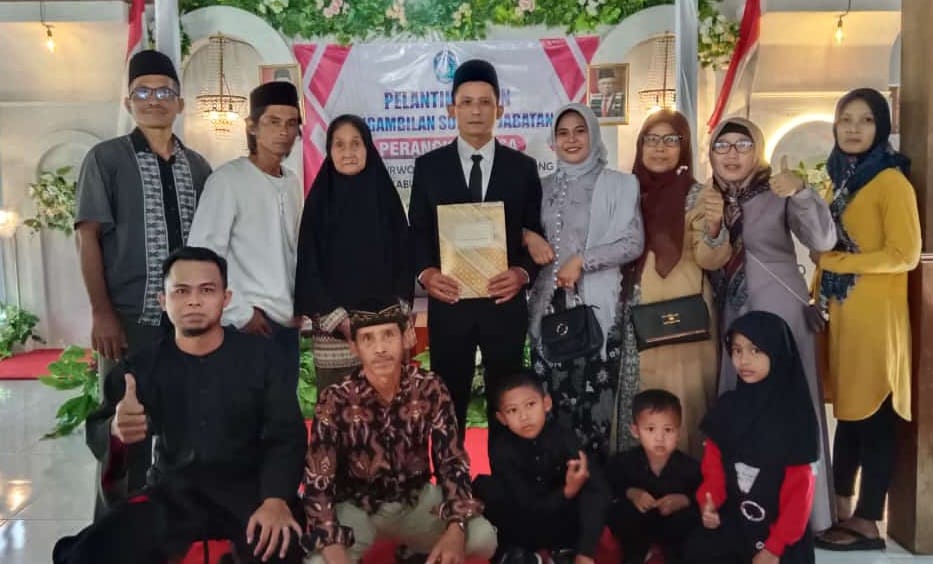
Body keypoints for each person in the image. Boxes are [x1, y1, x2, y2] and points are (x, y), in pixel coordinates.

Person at [53, 246, 308, 564]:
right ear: (163, 300)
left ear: (226, 298)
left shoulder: (262, 358)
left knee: (279, 547)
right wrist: (116, 430)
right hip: (173, 493)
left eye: (207, 290)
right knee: (89, 553)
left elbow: (286, 435)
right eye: (181, 291)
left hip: (250, 492)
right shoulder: (143, 366)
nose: (194, 301)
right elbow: (101, 429)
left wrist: (275, 500)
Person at [74, 49, 212, 514]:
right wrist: (102, 312)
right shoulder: (106, 159)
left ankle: (172, 528)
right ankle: (114, 534)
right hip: (129, 321)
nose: (155, 99)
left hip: (186, 327)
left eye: (165, 91)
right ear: (128, 101)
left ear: (180, 102)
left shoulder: (198, 167)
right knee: (124, 431)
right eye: (143, 92)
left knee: (182, 431)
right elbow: (88, 236)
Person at [694, 117, 836, 532]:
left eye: (742, 145)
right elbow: (705, 256)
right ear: (711, 153)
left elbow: (823, 240)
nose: (732, 154)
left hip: (780, 309)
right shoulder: (706, 198)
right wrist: (714, 224)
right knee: (737, 400)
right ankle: (740, 503)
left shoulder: (777, 190)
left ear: (756, 150)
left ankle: (806, 511)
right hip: (732, 310)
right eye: (722, 146)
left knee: (791, 401)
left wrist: (802, 193)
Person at [301, 297, 497, 564]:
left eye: (388, 335)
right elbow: (318, 478)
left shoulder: (429, 387)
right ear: (354, 347)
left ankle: (416, 550)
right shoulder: (336, 398)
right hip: (357, 507)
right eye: (368, 339)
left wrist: (455, 528)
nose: (380, 348)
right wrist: (332, 547)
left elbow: (451, 461)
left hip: (414, 500)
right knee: (319, 563)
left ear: (405, 338)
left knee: (483, 538)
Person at [408, 59, 544, 440]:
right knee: (448, 402)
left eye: (485, 102)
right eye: (466, 102)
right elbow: (417, 233)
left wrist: (522, 274)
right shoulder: (429, 167)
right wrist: (426, 274)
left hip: (504, 307)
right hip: (450, 304)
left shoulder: (522, 168)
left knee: (508, 403)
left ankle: (507, 475)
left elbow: (535, 233)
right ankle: (451, 476)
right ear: (451, 109)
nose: (476, 111)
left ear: (499, 109)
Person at [812, 88, 921, 551]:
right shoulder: (841, 180)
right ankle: (843, 511)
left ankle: (870, 520)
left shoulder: (890, 182)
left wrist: (836, 262)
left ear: (882, 128)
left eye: (866, 120)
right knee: (850, 416)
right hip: (845, 315)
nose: (854, 128)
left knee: (874, 418)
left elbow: (905, 254)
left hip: (876, 319)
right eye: (846, 119)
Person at [524, 103, 644, 459]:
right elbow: (518, 229)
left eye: (580, 131)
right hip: (548, 313)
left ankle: (596, 488)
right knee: (550, 411)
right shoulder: (540, 188)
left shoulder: (619, 184)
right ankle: (558, 488)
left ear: (593, 134)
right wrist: (527, 236)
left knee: (596, 412)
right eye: (563, 133)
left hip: (596, 313)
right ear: (553, 141)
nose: (572, 139)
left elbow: (633, 242)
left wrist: (582, 261)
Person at [188, 82, 304, 385]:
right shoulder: (228, 180)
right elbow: (202, 256)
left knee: (281, 409)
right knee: (242, 410)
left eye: (291, 123)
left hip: (285, 324)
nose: (284, 131)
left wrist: (300, 304)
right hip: (245, 325)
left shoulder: (292, 183)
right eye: (273, 121)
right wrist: (240, 313)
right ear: (252, 126)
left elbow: (292, 251)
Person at [617, 110, 718, 457]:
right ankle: (637, 480)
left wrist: (715, 228)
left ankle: (683, 480)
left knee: (680, 400)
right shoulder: (627, 193)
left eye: (670, 140)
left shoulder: (699, 196)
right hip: (633, 314)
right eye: (652, 139)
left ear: (684, 147)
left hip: (679, 317)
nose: (660, 148)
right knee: (636, 400)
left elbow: (710, 258)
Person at [684, 311, 818, 564]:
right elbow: (713, 468)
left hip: (780, 538)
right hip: (735, 525)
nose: (743, 360)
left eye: (755, 350)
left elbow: (800, 494)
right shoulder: (728, 407)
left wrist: (774, 549)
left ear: (777, 353)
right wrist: (709, 502)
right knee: (696, 549)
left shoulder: (796, 417)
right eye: (737, 350)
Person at [295, 115, 411, 390]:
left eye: (356, 143)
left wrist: (393, 318)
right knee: (339, 411)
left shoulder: (386, 200)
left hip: (385, 334)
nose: (348, 152)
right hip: (335, 337)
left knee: (389, 409)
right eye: (339, 144)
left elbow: (405, 259)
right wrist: (341, 322)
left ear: (367, 148)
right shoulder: (318, 205)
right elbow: (309, 267)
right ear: (329, 151)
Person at [472, 371, 611, 564]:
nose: (524, 416)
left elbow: (598, 488)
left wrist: (586, 550)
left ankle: (576, 552)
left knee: (592, 485)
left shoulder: (564, 437)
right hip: (527, 522)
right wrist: (566, 492)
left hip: (564, 520)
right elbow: (525, 504)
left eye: (530, 405)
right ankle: (516, 554)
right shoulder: (501, 449)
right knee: (487, 488)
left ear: (546, 403)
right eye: (512, 410)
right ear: (502, 418)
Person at [606, 389, 702, 564]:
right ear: (635, 431)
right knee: (623, 511)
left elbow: (704, 494)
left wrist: (685, 500)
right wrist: (632, 493)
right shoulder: (624, 462)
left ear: (679, 433)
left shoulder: (689, 467)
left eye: (668, 430)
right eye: (650, 429)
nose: (659, 438)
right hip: (636, 526)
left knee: (689, 520)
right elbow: (608, 485)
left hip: (673, 527)